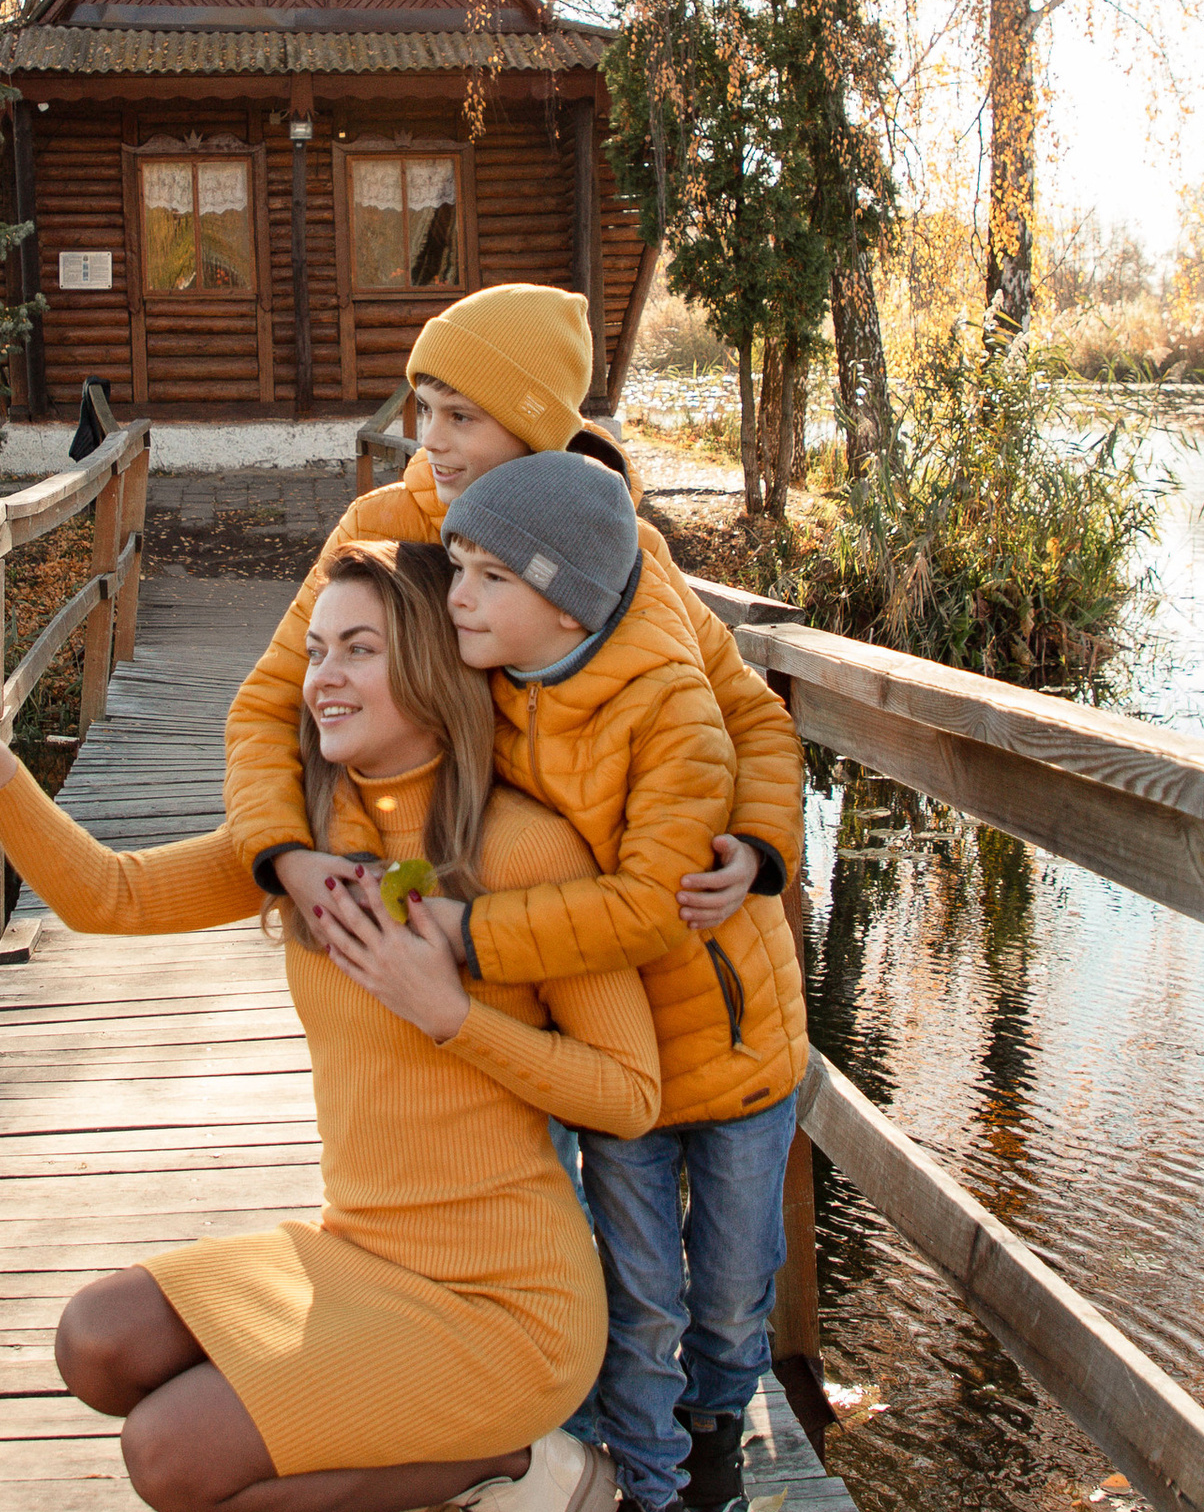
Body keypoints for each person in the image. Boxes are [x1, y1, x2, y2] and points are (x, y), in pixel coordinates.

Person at [0, 541, 657, 1512]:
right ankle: (404, 1482)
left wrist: (452, 1015)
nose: (323, 678)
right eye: (317, 651)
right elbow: (109, 895)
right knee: (97, 1343)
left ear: (432, 665)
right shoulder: (304, 847)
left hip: (505, 1300)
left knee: (173, 1457)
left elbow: (629, 1094)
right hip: (360, 1254)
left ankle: (516, 1466)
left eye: (359, 650)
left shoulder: (527, 848)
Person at [319, 449, 806, 1512]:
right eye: (458, 572)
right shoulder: (488, 679)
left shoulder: (669, 695)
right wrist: (367, 882)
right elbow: (430, 793)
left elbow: (650, 904)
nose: (459, 599)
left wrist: (468, 938)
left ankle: (712, 1439)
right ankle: (645, 1506)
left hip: (731, 1050)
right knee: (636, 1296)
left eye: (488, 577)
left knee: (730, 1290)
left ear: (567, 598)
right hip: (608, 1055)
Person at [223, 282, 802, 986]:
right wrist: (286, 853)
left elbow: (749, 713)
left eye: (461, 416)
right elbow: (270, 705)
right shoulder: (380, 531)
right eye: (425, 408)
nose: (431, 439)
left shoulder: (616, 557)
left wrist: (756, 842)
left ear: (533, 433)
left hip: (659, 946)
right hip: (470, 927)